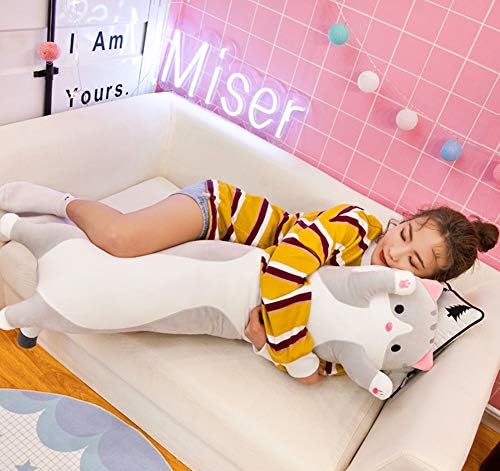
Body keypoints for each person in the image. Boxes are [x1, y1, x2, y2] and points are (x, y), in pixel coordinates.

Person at [0, 180, 498, 384]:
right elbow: (284, 272)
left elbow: (333, 360)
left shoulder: (382, 307)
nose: (396, 252)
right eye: (405, 233)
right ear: (403, 220)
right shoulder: (354, 224)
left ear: (426, 282)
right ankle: (53, 202)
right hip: (218, 216)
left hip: (218, 274)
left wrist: (271, 342)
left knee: (126, 312)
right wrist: (289, 352)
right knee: (120, 240)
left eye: (414, 262)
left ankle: (51, 279)